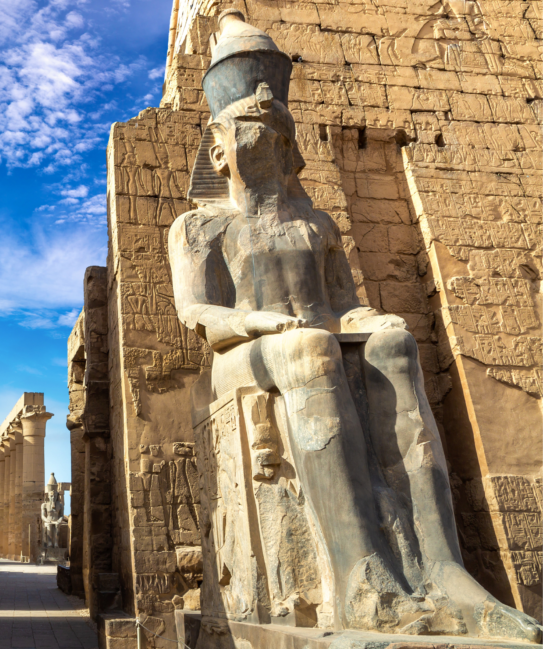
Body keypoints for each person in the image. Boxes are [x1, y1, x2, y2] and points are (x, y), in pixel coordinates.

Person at [169, 10, 541, 642]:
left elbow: (345, 303)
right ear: (218, 149)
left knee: (395, 344)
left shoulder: (316, 225)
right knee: (311, 348)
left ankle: (447, 572)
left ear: (291, 146)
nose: (268, 135)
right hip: (243, 349)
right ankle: (362, 578)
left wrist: (373, 316)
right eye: (250, 125)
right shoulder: (201, 227)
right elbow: (198, 314)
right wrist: (261, 321)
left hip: (307, 334)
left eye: (276, 126)